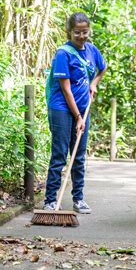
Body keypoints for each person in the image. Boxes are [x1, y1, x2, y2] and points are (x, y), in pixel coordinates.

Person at [44, 12, 107, 214]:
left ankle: (78, 199)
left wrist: (93, 84)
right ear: (69, 31)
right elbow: (66, 89)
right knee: (60, 154)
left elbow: (102, 69)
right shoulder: (63, 53)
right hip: (62, 108)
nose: (81, 36)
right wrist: (78, 117)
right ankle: (50, 200)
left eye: (85, 32)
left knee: (79, 155)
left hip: (82, 108)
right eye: (77, 32)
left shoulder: (92, 50)